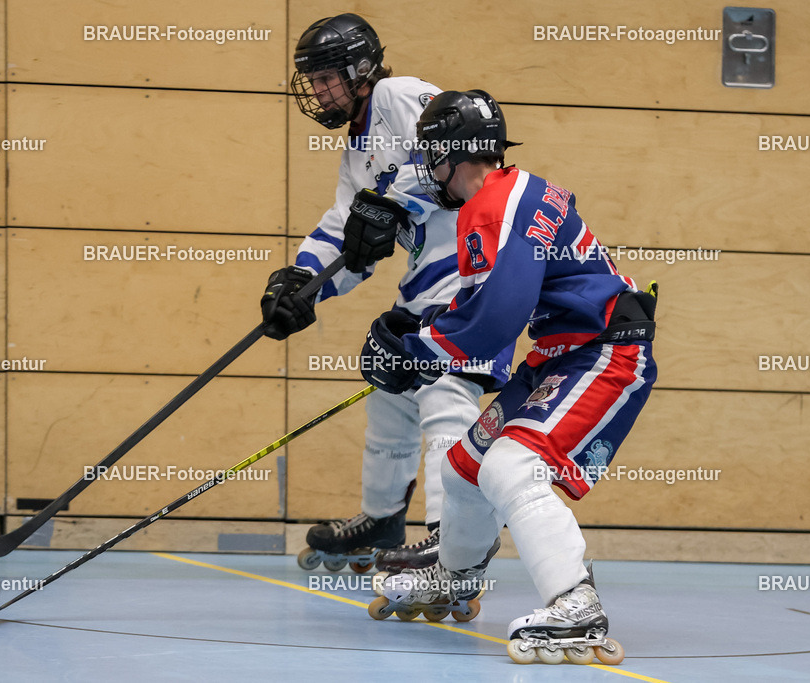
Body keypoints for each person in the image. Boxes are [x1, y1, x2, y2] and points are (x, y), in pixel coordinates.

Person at [362, 90, 656, 664]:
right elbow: (488, 307)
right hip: (560, 353)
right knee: (466, 467)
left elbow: (497, 318)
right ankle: (456, 574)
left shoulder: (495, 207)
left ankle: (575, 602)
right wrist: (421, 333)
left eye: (432, 152)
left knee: (509, 464)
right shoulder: (508, 196)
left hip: (603, 353)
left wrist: (415, 349)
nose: (428, 165)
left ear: (451, 152)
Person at [260, 15, 509, 573]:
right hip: (425, 284)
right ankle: (383, 518)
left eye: (327, 77)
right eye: (314, 80)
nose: (319, 90)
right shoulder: (358, 145)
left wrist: (394, 201)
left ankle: (451, 536)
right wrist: (301, 283)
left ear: (361, 69)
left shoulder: (400, 97)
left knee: (444, 398)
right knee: (391, 397)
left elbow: (457, 147)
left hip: (469, 275)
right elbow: (348, 233)